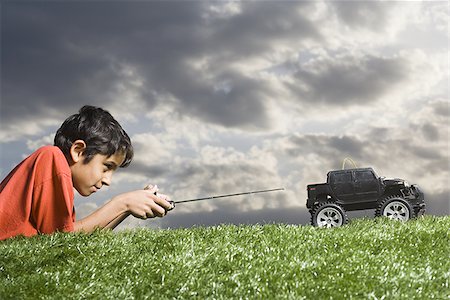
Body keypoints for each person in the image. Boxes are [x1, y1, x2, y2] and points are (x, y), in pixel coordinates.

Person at [0, 105, 173, 240]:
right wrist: (123, 203)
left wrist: (128, 208)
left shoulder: (60, 182)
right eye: (107, 167)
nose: (108, 181)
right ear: (78, 151)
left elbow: (80, 240)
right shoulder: (51, 157)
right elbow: (60, 240)